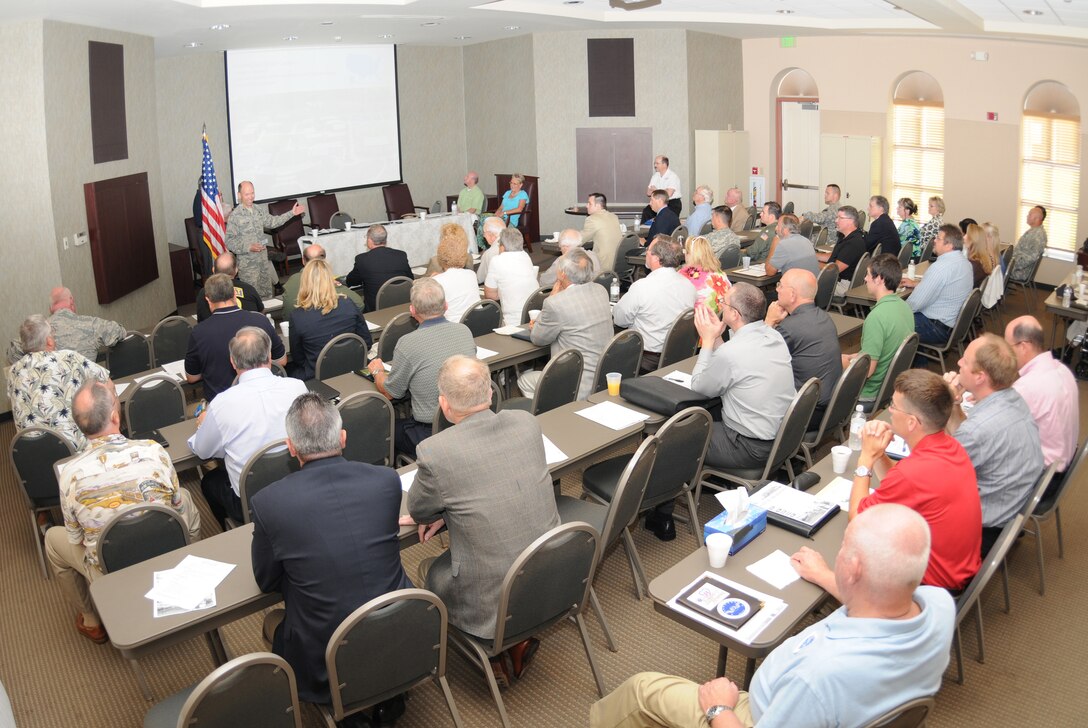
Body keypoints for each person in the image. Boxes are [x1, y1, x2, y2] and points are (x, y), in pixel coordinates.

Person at [589, 504, 955, 728]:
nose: (838, 554)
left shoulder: (819, 679)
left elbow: (810, 686)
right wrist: (824, 575)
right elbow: (880, 596)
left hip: (758, 714)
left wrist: (719, 707)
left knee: (641, 691)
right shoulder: (937, 604)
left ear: (855, 568)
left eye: (843, 549)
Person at [402, 356, 560, 684]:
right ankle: (513, 642)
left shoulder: (435, 452)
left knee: (431, 572)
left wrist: (443, 511)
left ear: (444, 406)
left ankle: (494, 645)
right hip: (551, 566)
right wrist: (451, 511)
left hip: (488, 591)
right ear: (490, 393)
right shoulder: (526, 422)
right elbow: (496, 483)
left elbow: (418, 511)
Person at [251, 392, 411, 710]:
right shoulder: (385, 481)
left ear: (291, 447)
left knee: (276, 622)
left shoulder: (270, 503)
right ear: (342, 437)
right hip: (401, 631)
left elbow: (266, 580)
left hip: (325, 660)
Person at [46, 380, 200, 643]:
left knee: (52, 539)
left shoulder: (69, 475)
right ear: (116, 416)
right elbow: (175, 504)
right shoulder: (153, 450)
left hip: (109, 566)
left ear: (79, 426)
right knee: (185, 496)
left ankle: (92, 620)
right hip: (164, 546)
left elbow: (76, 539)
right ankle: (185, 569)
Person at [849, 369, 981, 592]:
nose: (889, 411)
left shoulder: (914, 473)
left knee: (854, 556)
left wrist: (865, 459)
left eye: (893, 405)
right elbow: (901, 482)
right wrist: (880, 453)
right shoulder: (950, 445)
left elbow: (857, 521)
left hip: (933, 585)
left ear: (912, 422)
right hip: (960, 568)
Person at [188, 326, 307, 528]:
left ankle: (235, 531)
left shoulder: (221, 404)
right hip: (297, 486)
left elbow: (202, 451)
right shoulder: (297, 387)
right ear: (270, 356)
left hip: (250, 501)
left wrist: (203, 424)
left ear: (233, 362)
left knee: (210, 482)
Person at [944, 334, 1043, 556]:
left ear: (980, 377)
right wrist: (952, 404)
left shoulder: (978, 431)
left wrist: (934, 408)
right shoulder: (1013, 398)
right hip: (1005, 511)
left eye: (965, 361)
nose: (958, 362)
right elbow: (966, 441)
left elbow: (935, 473)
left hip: (979, 531)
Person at [690, 282, 795, 471]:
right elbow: (737, 363)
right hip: (782, 438)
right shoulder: (774, 336)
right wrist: (717, 338)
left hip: (748, 447)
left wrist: (706, 341)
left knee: (675, 436)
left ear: (734, 314)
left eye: (724, 302)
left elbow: (698, 386)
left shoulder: (731, 353)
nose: (720, 305)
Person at [369, 278, 476, 459]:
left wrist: (377, 371)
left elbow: (390, 393)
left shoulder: (408, 343)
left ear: (413, 311)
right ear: (446, 306)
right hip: (468, 421)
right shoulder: (464, 331)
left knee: (383, 428)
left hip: (430, 433)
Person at [520, 249, 613, 400]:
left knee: (524, 381)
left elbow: (538, 338)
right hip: (604, 375)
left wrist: (552, 296)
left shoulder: (556, 303)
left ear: (562, 274)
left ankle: (550, 414)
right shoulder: (600, 290)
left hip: (575, 381)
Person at [7, 314, 108, 451]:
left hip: (29, 454)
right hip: (72, 449)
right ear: (49, 341)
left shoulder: (13, 371)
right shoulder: (68, 357)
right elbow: (105, 380)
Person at [184, 273, 286, 401]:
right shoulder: (260, 321)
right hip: (263, 397)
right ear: (234, 294)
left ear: (208, 300)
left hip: (221, 404)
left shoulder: (198, 332)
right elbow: (281, 361)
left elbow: (192, 377)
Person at [765, 269, 842, 428]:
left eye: (780, 285)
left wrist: (769, 322)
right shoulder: (824, 316)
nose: (777, 289)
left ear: (792, 294)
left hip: (807, 413)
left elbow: (759, 360)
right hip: (833, 406)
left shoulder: (789, 328)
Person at [1005, 316, 1079, 475]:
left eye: (1007, 346)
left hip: (1041, 475)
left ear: (1023, 346)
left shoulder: (1026, 387)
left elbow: (993, 432)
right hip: (1063, 461)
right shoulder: (1062, 370)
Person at [612, 235, 695, 371]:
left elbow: (620, 320)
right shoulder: (689, 286)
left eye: (648, 250)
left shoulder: (642, 287)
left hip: (645, 360)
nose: (646, 254)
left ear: (656, 258)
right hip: (678, 354)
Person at [844, 254, 915, 409]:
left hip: (870, 392)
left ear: (880, 279)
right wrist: (854, 357)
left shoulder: (876, 318)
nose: (865, 279)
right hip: (890, 386)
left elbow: (868, 370)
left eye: (868, 275)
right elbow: (885, 350)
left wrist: (845, 362)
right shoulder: (905, 308)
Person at [287, 259, 371, 381]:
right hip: (352, 367)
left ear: (304, 283)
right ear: (330, 280)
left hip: (317, 376)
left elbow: (298, 357)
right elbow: (366, 342)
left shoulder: (297, 316)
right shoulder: (348, 303)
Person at [225, 180, 304, 298]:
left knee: (267, 297)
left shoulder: (258, 209)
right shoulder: (235, 216)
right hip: (248, 267)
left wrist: (291, 213)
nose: (251, 197)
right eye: (247, 194)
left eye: (252, 193)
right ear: (239, 195)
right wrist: (248, 246)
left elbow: (273, 222)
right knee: (252, 298)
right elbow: (229, 241)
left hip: (263, 262)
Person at [6, 287, 125, 364]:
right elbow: (118, 331)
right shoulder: (91, 324)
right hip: (86, 396)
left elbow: (13, 353)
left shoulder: (37, 333)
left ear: (51, 308)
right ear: (71, 301)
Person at [902, 224, 973, 346]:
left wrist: (896, 311)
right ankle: (918, 361)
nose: (934, 240)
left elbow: (916, 303)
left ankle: (905, 362)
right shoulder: (965, 263)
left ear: (949, 245)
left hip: (937, 328)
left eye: (938, 238)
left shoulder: (940, 267)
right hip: (953, 325)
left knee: (890, 321)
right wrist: (918, 284)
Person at [281, 243, 364, 319]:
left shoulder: (291, 281)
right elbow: (359, 305)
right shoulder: (328, 280)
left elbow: (287, 315)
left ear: (303, 260)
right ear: (324, 260)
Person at [344, 224, 413, 313]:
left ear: (369, 240)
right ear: (385, 240)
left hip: (375, 310)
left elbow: (351, 282)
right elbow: (410, 279)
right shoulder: (401, 255)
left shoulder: (362, 260)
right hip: (402, 306)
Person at [484, 227, 540, 327]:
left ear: (503, 246)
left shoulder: (497, 260)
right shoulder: (525, 256)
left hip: (513, 321)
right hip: (533, 316)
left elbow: (490, 296)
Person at [431, 225, 482, 323]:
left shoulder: (437, 281)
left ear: (440, 257)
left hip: (451, 328)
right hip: (475, 323)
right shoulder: (471, 274)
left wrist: (429, 281)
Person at [195, 251, 264, 321]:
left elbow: (201, 320)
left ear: (213, 270)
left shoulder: (204, 292)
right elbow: (261, 313)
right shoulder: (249, 289)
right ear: (236, 270)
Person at [816, 205, 867, 296]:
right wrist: (813, 255)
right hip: (839, 281)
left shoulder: (853, 243)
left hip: (842, 285)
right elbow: (835, 257)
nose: (836, 220)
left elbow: (834, 269)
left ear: (850, 221)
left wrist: (813, 263)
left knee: (804, 285)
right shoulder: (847, 236)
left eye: (840, 218)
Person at [677, 236, 731, 311]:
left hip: (699, 319)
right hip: (721, 317)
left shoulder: (685, 275)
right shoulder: (721, 274)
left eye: (685, 251)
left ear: (690, 254)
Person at [580, 192, 623, 271]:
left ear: (598, 205)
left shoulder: (592, 219)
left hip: (602, 266)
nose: (586, 206)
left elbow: (579, 240)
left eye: (589, 204)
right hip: (618, 264)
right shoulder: (614, 217)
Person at [1007, 205, 1047, 283]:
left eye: (1030, 214)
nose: (1027, 216)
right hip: (1016, 264)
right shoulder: (1034, 231)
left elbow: (1031, 258)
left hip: (1020, 271)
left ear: (1037, 219)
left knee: (991, 267)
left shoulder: (1038, 236)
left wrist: (1010, 265)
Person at [643, 155, 683, 219]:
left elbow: (669, 194)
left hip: (671, 203)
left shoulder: (672, 176)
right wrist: (663, 190)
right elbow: (648, 192)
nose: (655, 166)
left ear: (664, 164)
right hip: (657, 202)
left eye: (657, 163)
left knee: (664, 218)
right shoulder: (655, 176)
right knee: (646, 211)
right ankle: (646, 229)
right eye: (654, 163)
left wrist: (656, 190)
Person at [964, 222, 996, 288]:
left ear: (972, 240)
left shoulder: (972, 265)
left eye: (966, 234)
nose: (963, 237)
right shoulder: (984, 259)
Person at [476, 216, 507, 284]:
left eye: (484, 233)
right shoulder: (516, 244)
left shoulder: (489, 253)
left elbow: (479, 279)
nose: (484, 236)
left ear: (491, 235)